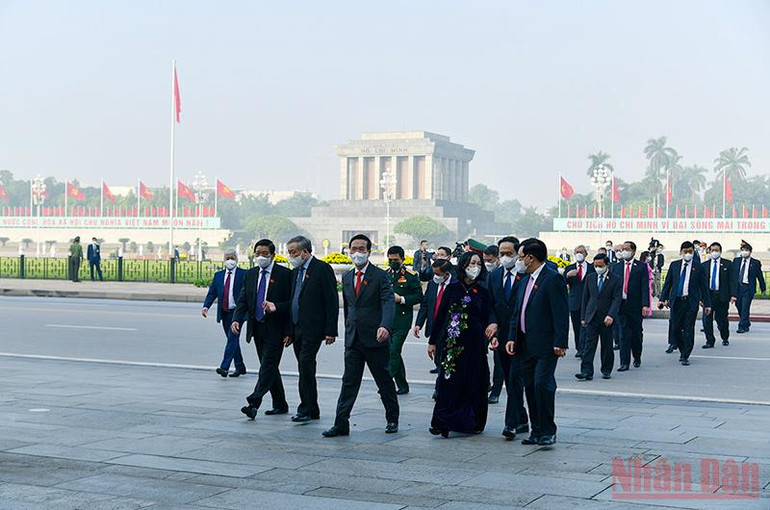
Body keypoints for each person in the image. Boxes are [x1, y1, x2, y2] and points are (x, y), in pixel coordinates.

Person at [323, 234, 398, 437]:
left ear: (369, 252)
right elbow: (349, 308)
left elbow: (388, 302)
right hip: (353, 339)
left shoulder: (380, 276)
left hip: (376, 338)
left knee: (383, 380)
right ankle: (341, 423)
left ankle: (392, 418)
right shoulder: (347, 277)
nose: (357, 253)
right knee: (349, 382)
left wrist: (385, 326)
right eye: (353, 249)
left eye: (361, 249)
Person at [505, 238, 568, 446]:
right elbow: (517, 312)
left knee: (543, 384)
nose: (519, 261)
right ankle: (536, 430)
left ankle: (549, 430)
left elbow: (560, 313)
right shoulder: (524, 281)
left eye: (521, 257)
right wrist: (512, 337)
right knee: (530, 386)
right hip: (525, 344)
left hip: (547, 344)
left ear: (530, 258)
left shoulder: (552, 279)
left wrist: (561, 342)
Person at [429, 251, 494, 438]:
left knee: (474, 382)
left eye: (478, 264)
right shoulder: (452, 289)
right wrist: (433, 341)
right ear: (463, 265)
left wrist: (492, 328)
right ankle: (442, 421)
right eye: (472, 263)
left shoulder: (482, 291)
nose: (475, 267)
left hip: (475, 344)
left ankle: (472, 422)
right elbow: (440, 316)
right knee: (449, 381)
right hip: (452, 342)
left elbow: (489, 314)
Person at [235, 239, 293, 420]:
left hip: (276, 328)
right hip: (257, 327)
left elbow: (293, 304)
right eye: (257, 254)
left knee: (267, 367)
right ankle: (280, 404)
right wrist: (237, 319)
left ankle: (253, 403)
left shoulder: (284, 274)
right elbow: (244, 298)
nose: (261, 257)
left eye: (265, 254)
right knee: (269, 367)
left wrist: (288, 329)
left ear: (273, 255)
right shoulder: (251, 274)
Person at [286, 235, 339, 423]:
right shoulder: (295, 272)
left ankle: (306, 408)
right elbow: (292, 301)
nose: (291, 256)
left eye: (293, 252)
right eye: (289, 252)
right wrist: (289, 331)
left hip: (313, 328)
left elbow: (332, 301)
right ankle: (312, 408)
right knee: (304, 367)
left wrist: (331, 330)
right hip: (296, 327)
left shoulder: (322, 269)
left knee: (306, 365)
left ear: (305, 252)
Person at [486, 236, 529, 439]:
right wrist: (492, 327)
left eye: (509, 254)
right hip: (500, 336)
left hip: (521, 336)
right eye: (501, 254)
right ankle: (522, 418)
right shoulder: (493, 276)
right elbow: (490, 304)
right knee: (510, 378)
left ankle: (510, 423)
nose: (504, 257)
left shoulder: (526, 275)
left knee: (514, 378)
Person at [660, 242, 711, 366]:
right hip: (677, 301)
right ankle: (681, 347)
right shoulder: (675, 265)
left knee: (688, 329)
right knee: (675, 328)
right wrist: (663, 298)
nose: (688, 254)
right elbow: (668, 283)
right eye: (685, 251)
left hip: (690, 302)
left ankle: (685, 355)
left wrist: (707, 304)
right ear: (681, 252)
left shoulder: (698, 267)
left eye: (690, 252)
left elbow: (704, 287)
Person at [202, 249, 247, 377]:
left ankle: (224, 367)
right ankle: (240, 367)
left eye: (232, 258)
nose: (230, 261)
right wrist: (206, 306)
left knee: (232, 338)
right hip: (225, 312)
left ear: (237, 258)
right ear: (224, 259)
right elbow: (213, 292)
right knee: (232, 339)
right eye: (227, 258)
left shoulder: (244, 274)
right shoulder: (219, 276)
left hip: (238, 313)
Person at [577, 254, 621, 380]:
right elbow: (585, 298)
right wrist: (583, 317)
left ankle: (606, 369)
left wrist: (611, 315)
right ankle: (586, 371)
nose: (597, 268)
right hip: (592, 316)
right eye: (595, 265)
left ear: (607, 264)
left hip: (606, 317)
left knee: (607, 345)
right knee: (589, 345)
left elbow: (616, 299)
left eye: (600, 266)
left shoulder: (615, 279)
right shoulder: (590, 278)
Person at [386, 245, 423, 395]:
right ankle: (402, 385)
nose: (393, 262)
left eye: (396, 259)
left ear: (402, 259)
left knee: (393, 351)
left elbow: (419, 296)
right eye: (390, 259)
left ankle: (386, 383)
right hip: (387, 320)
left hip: (402, 319)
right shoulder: (385, 274)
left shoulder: (410, 275)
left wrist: (401, 299)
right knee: (393, 353)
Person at [611, 241, 650, 371]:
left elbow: (645, 287)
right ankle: (624, 362)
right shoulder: (616, 267)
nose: (623, 251)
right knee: (623, 334)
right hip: (621, 305)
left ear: (633, 251)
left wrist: (645, 305)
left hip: (635, 305)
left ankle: (637, 356)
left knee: (636, 334)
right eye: (622, 249)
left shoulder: (641, 267)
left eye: (626, 249)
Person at [414, 259, 453, 378]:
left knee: (446, 358)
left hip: (449, 328)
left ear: (446, 274)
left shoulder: (456, 285)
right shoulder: (432, 284)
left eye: (438, 274)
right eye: (434, 273)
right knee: (437, 356)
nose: (435, 276)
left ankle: (441, 386)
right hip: (434, 326)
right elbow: (425, 305)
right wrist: (418, 324)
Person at [564, 245, 593, 358]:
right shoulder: (570, 268)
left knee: (586, 326)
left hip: (588, 302)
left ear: (586, 254)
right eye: (577, 252)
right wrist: (567, 275)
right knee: (577, 327)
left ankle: (585, 348)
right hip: (575, 301)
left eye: (581, 252)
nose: (579, 254)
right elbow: (561, 283)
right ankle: (579, 348)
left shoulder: (591, 268)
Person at [702, 242, 733, 349]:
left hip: (722, 296)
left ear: (720, 251)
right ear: (709, 251)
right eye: (713, 250)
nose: (715, 252)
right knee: (706, 320)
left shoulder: (728, 264)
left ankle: (725, 337)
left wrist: (733, 295)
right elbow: (701, 284)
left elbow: (732, 281)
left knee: (722, 319)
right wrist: (701, 298)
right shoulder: (704, 265)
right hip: (708, 296)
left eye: (717, 250)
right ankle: (710, 340)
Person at [733, 241, 766, 334]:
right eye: (743, 250)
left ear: (750, 252)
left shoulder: (755, 263)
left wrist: (763, 288)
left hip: (748, 288)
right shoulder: (736, 261)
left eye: (746, 250)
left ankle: (742, 326)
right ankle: (746, 322)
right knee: (739, 306)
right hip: (738, 288)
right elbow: (732, 275)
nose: (744, 252)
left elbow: (759, 276)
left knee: (745, 307)